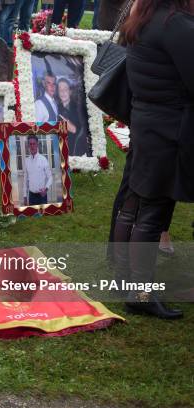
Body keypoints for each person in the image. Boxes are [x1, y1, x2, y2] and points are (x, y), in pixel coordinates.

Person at [111, 0, 193, 319]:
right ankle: (140, 294)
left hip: (147, 120)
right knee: (153, 211)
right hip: (169, 128)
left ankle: (123, 279)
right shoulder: (175, 25)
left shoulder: (142, 18)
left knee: (134, 204)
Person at [56, 78, 89, 156]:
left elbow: (85, 130)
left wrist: (74, 129)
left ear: (70, 91)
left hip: (75, 150)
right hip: (59, 148)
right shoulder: (56, 107)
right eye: (60, 89)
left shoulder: (79, 108)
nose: (63, 92)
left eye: (65, 89)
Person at [24, 135, 52, 205]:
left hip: (42, 195)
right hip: (31, 196)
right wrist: (24, 196)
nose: (32, 146)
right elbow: (25, 180)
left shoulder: (43, 159)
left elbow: (50, 177)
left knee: (43, 215)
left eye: (34, 144)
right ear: (28, 146)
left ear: (37, 145)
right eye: (30, 144)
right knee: (32, 215)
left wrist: (46, 189)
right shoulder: (26, 161)